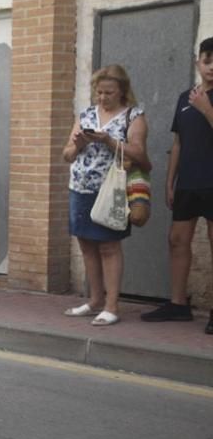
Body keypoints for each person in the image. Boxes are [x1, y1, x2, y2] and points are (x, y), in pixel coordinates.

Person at [62, 64, 150, 326]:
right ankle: (94, 300)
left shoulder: (133, 116)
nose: (102, 98)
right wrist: (77, 145)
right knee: (86, 245)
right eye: (99, 92)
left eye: (109, 92)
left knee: (109, 246)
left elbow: (141, 155)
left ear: (122, 91)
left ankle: (112, 305)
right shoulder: (86, 114)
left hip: (111, 190)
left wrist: (109, 141)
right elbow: (66, 155)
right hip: (80, 187)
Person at [141, 37, 213, 334]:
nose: (212, 67)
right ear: (198, 62)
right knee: (177, 239)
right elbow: (178, 142)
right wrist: (170, 182)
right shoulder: (186, 97)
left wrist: (206, 108)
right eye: (207, 60)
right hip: (188, 182)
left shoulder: (200, 101)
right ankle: (178, 303)